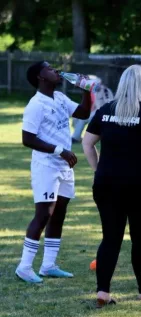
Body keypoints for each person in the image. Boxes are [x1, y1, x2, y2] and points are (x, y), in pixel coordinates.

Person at [82, 65, 141, 308]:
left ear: (122, 84)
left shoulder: (104, 110)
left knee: (110, 237)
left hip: (106, 183)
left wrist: (98, 169)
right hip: (138, 183)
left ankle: (103, 291)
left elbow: (87, 143)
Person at [15, 61, 92, 284]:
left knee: (59, 214)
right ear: (40, 77)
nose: (55, 71)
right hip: (47, 166)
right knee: (44, 214)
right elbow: (27, 139)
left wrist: (85, 90)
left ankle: (48, 265)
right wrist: (60, 150)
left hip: (64, 166)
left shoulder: (58, 97)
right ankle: (25, 267)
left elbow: (84, 112)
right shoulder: (35, 105)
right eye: (49, 69)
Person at [71, 78, 114, 143]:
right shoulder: (92, 91)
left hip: (102, 113)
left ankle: (75, 138)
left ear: (99, 84)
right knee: (77, 118)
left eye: (94, 84)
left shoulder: (105, 90)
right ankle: (77, 137)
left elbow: (109, 103)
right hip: (93, 112)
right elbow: (91, 104)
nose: (93, 86)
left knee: (83, 119)